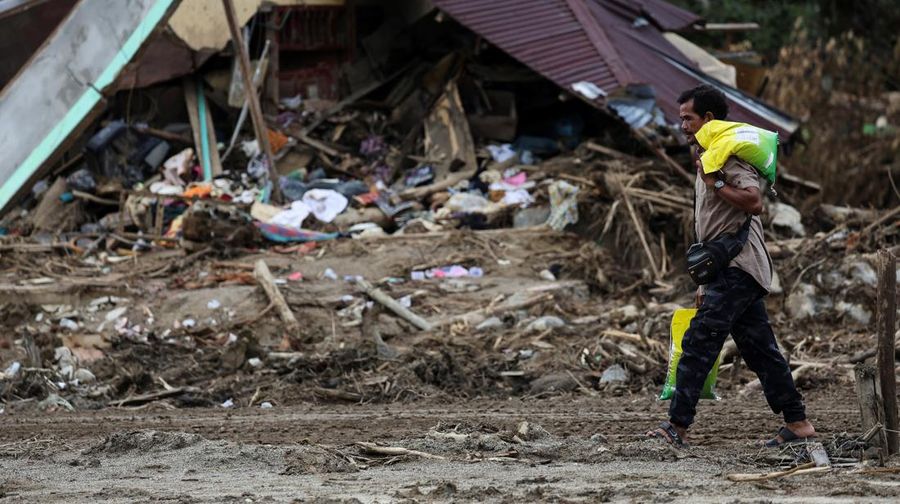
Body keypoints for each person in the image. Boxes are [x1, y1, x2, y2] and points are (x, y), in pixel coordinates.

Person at [646, 84, 815, 447]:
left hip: (738, 267)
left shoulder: (726, 155)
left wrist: (717, 180)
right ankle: (798, 424)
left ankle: (676, 427)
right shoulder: (710, 154)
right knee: (760, 350)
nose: (683, 126)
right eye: (681, 119)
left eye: (688, 119)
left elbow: (753, 201)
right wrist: (704, 284)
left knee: (699, 342)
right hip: (732, 268)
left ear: (709, 119)